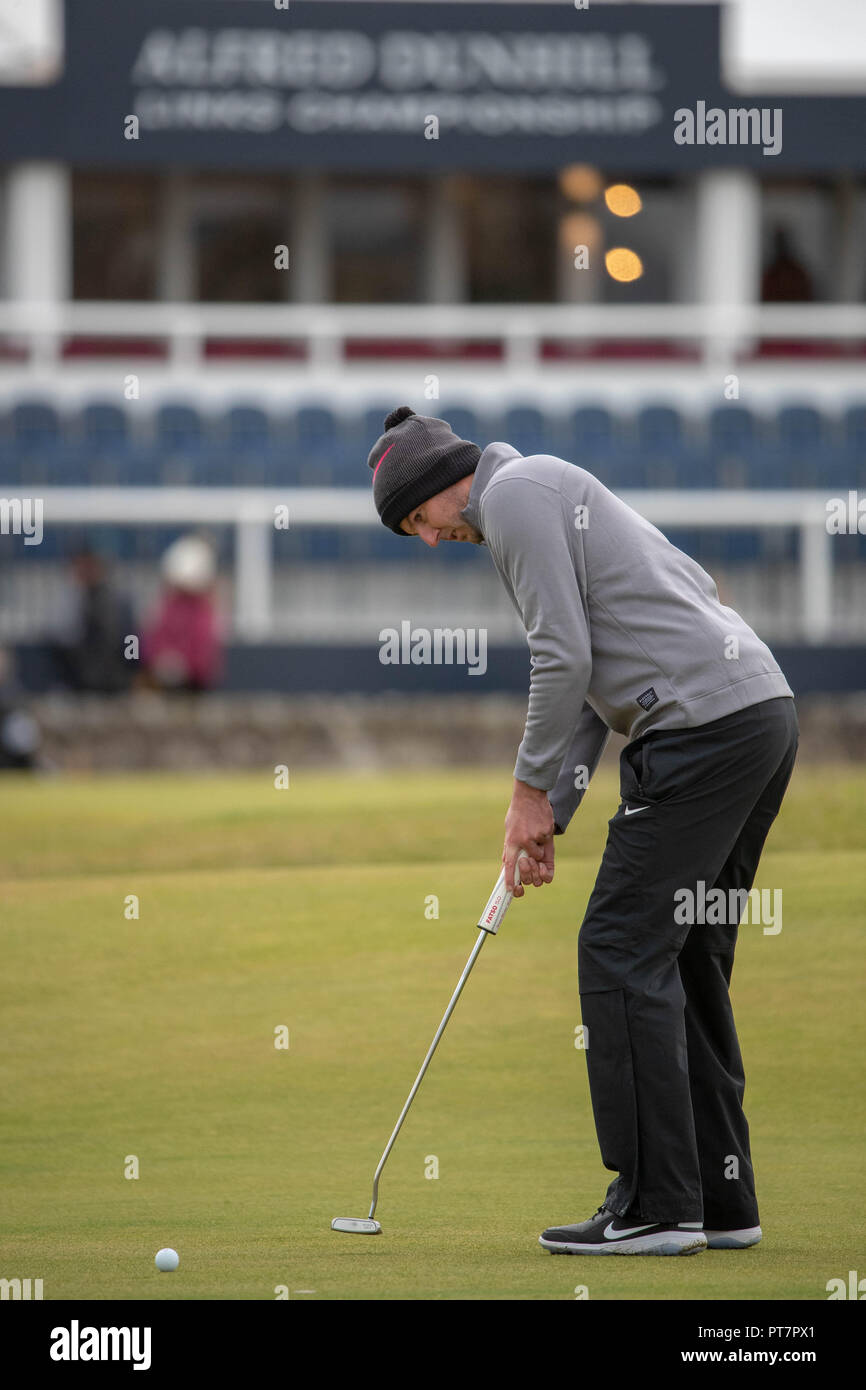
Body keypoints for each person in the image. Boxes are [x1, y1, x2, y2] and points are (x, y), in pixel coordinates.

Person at [366, 406, 798, 1258]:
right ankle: (719, 1195)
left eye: (417, 519)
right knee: (686, 952)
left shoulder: (516, 496)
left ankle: (652, 1205)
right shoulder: (541, 489)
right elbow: (608, 669)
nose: (426, 539)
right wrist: (554, 812)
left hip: (703, 734)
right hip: (758, 716)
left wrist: (524, 793)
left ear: (435, 487)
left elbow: (560, 658)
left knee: (618, 948)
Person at [141, 534, 223, 693]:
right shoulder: (164, 608)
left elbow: (205, 657)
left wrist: (187, 667)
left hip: (195, 688)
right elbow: (151, 643)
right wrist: (161, 662)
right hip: (161, 686)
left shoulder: (204, 611)